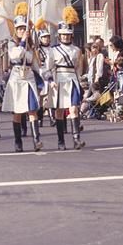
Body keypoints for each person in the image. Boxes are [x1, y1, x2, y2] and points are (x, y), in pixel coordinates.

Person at [1, 3, 44, 153]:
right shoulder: (12, 44)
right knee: (18, 112)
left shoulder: (31, 46)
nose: (21, 31)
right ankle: (18, 141)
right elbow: (15, 55)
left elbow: (36, 65)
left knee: (32, 110)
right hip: (17, 78)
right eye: (19, 28)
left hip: (29, 78)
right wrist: (23, 42)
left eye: (23, 28)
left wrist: (43, 81)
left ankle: (36, 140)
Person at [48, 11, 85, 150]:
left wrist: (79, 81)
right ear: (59, 35)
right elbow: (47, 68)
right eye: (63, 34)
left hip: (72, 80)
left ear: (71, 35)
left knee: (74, 109)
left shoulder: (76, 50)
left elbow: (78, 68)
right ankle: (60, 140)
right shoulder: (53, 50)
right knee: (59, 111)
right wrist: (51, 80)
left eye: (67, 34)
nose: (65, 36)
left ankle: (76, 140)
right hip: (59, 81)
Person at [35, 21, 53, 127]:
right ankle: (40, 118)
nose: (46, 39)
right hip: (41, 74)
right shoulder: (37, 51)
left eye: (47, 37)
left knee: (50, 96)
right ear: (40, 39)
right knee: (40, 98)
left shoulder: (52, 49)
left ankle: (52, 118)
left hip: (50, 73)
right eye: (44, 37)